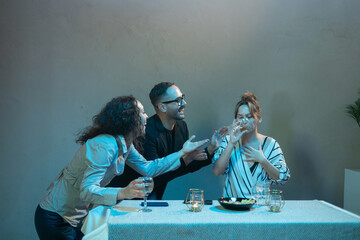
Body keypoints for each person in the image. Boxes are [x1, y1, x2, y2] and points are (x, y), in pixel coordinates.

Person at [34, 95, 208, 240]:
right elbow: (86, 191)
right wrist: (124, 192)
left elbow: (148, 169)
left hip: (76, 217)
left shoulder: (123, 143)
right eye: (142, 112)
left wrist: (181, 154)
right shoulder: (104, 145)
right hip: (55, 218)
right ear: (129, 118)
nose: (146, 117)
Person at [108, 82, 227, 199]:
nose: (184, 103)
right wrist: (184, 159)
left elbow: (184, 165)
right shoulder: (145, 131)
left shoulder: (181, 127)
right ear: (162, 107)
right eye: (178, 100)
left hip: (154, 192)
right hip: (126, 197)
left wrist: (211, 149)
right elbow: (154, 174)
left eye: (182, 98)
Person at [213, 92, 290, 198]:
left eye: (249, 117)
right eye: (240, 117)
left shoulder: (271, 144)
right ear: (236, 120)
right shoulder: (229, 140)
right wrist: (232, 143)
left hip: (260, 209)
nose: (244, 121)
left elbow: (282, 177)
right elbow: (217, 171)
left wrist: (263, 160)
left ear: (259, 118)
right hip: (233, 207)